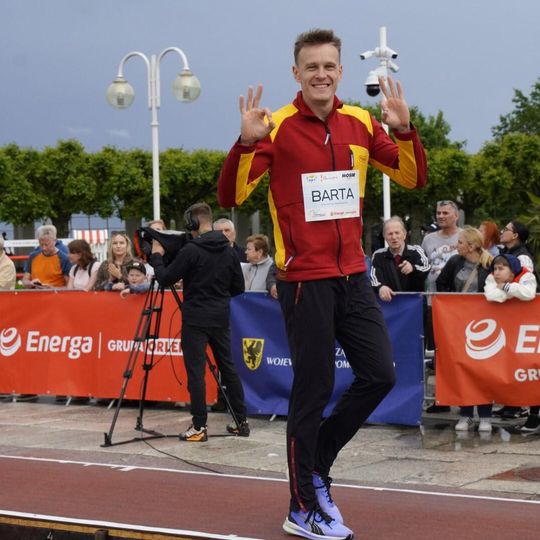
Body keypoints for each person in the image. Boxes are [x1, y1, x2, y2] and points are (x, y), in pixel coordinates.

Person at [217, 28, 427, 540]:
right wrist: (246, 142)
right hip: (304, 282)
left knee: (380, 374)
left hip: (353, 276)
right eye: (311, 66)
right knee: (311, 392)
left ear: (341, 71)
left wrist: (404, 131)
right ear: (297, 73)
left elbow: (411, 178)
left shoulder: (360, 122)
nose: (321, 74)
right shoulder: (277, 127)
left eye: (329, 66)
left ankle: (316, 463)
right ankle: (302, 507)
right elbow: (232, 195)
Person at [150, 202, 249, 442]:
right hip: (220, 315)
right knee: (228, 367)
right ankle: (241, 422)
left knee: (196, 372)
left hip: (196, 317)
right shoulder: (228, 249)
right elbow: (239, 287)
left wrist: (156, 256)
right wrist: (218, 296)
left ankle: (199, 426)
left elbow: (165, 278)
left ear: (193, 222)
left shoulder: (191, 250)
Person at [436, 227, 494, 432]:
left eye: (460, 242)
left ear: (471, 246)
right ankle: (466, 414)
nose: (456, 245)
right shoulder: (454, 262)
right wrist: (452, 302)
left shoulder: (490, 263)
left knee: (484, 370)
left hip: (484, 324)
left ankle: (485, 415)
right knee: (463, 369)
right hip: (458, 322)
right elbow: (441, 283)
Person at [484, 254, 540, 434]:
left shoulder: (526, 275)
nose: (496, 272)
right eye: (495, 268)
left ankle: (534, 415)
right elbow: (492, 295)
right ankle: (529, 414)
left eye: (501, 268)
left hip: (529, 331)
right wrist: (511, 293)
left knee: (533, 371)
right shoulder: (491, 278)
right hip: (508, 333)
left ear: (512, 270)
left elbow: (528, 293)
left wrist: (506, 287)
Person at [421, 200, 462, 412]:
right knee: (437, 351)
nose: (441, 216)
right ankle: (441, 398)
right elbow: (422, 266)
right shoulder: (428, 239)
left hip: (458, 305)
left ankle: (463, 396)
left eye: (445, 213)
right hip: (433, 301)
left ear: (456, 215)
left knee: (457, 352)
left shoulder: (464, 236)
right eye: (438, 213)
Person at [495, 220, 537, 420]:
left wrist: (504, 288)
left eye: (506, 229)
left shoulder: (523, 257)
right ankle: (511, 403)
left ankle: (520, 405)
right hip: (508, 313)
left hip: (521, 315)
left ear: (515, 235)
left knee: (521, 360)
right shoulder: (506, 252)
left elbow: (526, 284)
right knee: (508, 359)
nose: (502, 231)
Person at [370, 216, 430, 302]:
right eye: (390, 234)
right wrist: (380, 287)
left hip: (415, 304)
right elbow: (373, 277)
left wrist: (413, 268)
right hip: (389, 304)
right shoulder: (378, 255)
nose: (394, 237)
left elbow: (427, 267)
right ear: (384, 236)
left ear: (404, 234)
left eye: (397, 233)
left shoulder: (416, 251)